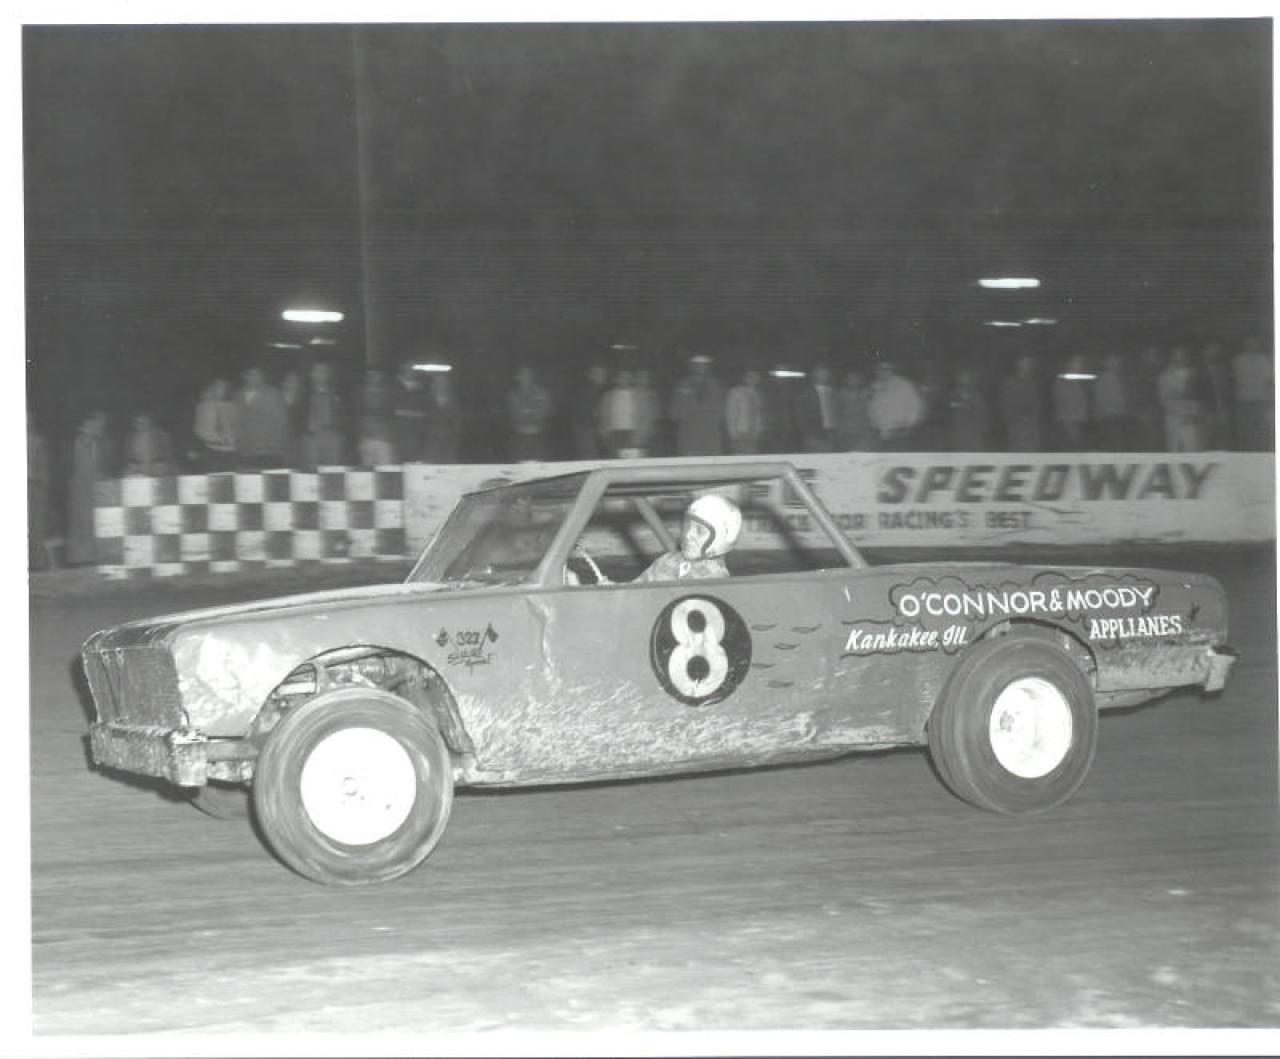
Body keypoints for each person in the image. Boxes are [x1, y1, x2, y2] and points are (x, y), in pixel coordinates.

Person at [635, 494, 742, 583]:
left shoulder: (714, 579)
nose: (688, 535)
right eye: (688, 526)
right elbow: (635, 588)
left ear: (720, 539)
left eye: (700, 531)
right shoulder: (668, 560)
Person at [67, 411, 112, 566]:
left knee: (97, 522)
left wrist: (103, 478)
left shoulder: (103, 445)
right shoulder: (74, 444)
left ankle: (96, 557)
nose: (94, 429)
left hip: (98, 489)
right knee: (81, 523)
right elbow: (68, 469)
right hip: (80, 489)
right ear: (82, 428)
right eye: (90, 426)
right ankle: (79, 558)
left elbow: (107, 467)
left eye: (96, 426)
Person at [233, 365, 289, 470]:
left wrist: (278, 443)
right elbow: (235, 421)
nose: (254, 377)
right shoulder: (238, 395)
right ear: (245, 376)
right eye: (251, 374)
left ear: (263, 376)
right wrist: (238, 441)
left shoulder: (272, 393)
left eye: (258, 374)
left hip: (268, 448)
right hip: (246, 449)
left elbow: (281, 421)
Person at [669, 355, 726, 456]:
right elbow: (674, 412)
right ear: (691, 367)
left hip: (710, 435)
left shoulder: (716, 385)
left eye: (704, 365)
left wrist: (710, 419)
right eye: (697, 365)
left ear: (708, 367)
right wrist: (689, 415)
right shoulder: (682, 385)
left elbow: (720, 411)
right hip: (689, 435)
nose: (700, 368)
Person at [868, 359, 924, 450]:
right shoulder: (874, 386)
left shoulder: (904, 384)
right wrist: (873, 422)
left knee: (899, 456)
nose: (883, 371)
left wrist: (908, 424)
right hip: (879, 431)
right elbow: (871, 407)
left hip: (899, 430)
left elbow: (915, 405)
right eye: (880, 369)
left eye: (886, 369)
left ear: (892, 370)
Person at [1158, 346, 1205, 452]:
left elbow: (1199, 395)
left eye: (1182, 354)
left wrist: (1192, 413)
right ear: (1171, 357)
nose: (1179, 357)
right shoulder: (1164, 376)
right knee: (1174, 448)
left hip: (1193, 418)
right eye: (1176, 354)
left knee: (1193, 448)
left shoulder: (1195, 374)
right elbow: (1163, 400)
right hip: (1173, 417)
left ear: (1187, 356)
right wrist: (1179, 412)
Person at [1231, 335, 1273, 451]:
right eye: (1249, 342)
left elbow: (1269, 379)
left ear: (1258, 344)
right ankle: (1246, 451)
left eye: (1254, 342)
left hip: (1261, 399)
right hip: (1244, 399)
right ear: (1244, 344)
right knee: (1245, 428)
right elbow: (1235, 379)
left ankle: (1261, 451)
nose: (1252, 345)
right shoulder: (1238, 360)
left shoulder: (1265, 359)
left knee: (1262, 428)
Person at [301, 361, 345, 467]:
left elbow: (344, 415)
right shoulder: (304, 393)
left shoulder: (337, 392)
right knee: (312, 469)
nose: (320, 375)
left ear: (328, 375)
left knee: (332, 469)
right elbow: (298, 416)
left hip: (331, 435)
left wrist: (338, 433)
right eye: (317, 371)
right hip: (312, 437)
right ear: (311, 374)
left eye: (323, 371)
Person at [507, 365, 553, 461]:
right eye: (522, 375)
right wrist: (529, 412)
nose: (525, 378)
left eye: (528, 375)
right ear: (518, 377)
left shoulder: (540, 392)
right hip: (520, 435)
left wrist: (529, 412)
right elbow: (514, 413)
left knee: (539, 462)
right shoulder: (514, 394)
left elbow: (545, 410)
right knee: (520, 461)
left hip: (538, 434)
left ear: (533, 376)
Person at [999, 354, 1043, 452]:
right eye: (1024, 362)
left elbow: (1036, 403)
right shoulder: (1010, 383)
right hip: (1017, 424)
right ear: (1018, 364)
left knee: (1032, 450)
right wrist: (1015, 419)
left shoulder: (1034, 383)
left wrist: (1034, 418)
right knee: (1018, 451)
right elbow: (1005, 405)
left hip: (1032, 423)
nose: (1027, 365)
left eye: (1029, 363)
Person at [192, 378, 236, 470]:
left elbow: (235, 426)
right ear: (211, 388)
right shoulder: (204, 406)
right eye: (218, 386)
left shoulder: (232, 406)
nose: (221, 389)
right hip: (213, 451)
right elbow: (200, 431)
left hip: (233, 451)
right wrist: (219, 439)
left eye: (224, 386)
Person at [1052, 354, 1093, 450]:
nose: (1079, 365)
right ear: (1069, 364)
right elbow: (1061, 403)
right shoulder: (1062, 380)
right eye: (1076, 362)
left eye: (1081, 362)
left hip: (1080, 421)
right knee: (1069, 449)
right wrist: (1068, 422)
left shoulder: (1081, 381)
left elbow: (1084, 402)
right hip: (1068, 423)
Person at [946, 368, 989, 451]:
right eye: (962, 380)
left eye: (968, 380)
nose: (965, 383)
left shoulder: (977, 396)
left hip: (974, 433)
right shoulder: (953, 395)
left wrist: (981, 428)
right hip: (958, 433)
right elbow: (950, 411)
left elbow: (982, 414)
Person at [423, 370, 462, 463]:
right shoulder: (425, 403)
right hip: (431, 447)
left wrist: (449, 436)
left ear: (448, 385)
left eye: (444, 382)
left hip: (449, 447)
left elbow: (458, 425)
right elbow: (422, 424)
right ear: (433, 385)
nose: (441, 385)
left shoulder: (455, 404)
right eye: (438, 382)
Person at [725, 368, 766, 455]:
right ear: (744, 379)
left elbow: (759, 414)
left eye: (756, 376)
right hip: (740, 431)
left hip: (754, 433)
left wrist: (759, 430)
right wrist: (733, 432)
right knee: (739, 456)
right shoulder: (736, 392)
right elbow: (731, 412)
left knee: (752, 455)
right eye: (750, 377)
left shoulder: (758, 394)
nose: (753, 379)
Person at [798, 363, 837, 452]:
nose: (824, 376)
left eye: (826, 373)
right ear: (814, 375)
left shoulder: (832, 391)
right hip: (814, 434)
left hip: (831, 432)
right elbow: (801, 415)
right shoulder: (806, 393)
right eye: (821, 373)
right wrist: (808, 433)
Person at [835, 368, 876, 451]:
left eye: (856, 378)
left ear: (861, 380)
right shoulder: (841, 393)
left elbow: (872, 410)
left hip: (864, 431)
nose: (853, 380)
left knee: (864, 454)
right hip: (847, 431)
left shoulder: (868, 392)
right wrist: (861, 400)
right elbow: (840, 412)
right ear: (846, 380)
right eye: (850, 378)